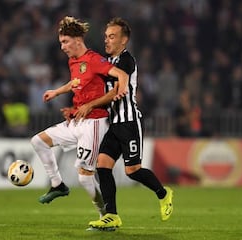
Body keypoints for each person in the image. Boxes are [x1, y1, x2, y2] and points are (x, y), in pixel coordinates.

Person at [74, 17, 173, 230]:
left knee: (133, 171)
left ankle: (164, 194)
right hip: (114, 124)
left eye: (112, 37)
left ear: (123, 41)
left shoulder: (127, 61)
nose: (107, 41)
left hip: (129, 123)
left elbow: (116, 92)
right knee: (102, 166)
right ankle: (112, 215)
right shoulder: (105, 63)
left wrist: (90, 105)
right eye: (106, 37)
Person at [30, 16, 128, 218]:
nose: (63, 47)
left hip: (94, 123)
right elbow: (76, 82)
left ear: (77, 40)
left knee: (84, 178)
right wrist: (57, 92)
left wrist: (121, 91)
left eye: (65, 42)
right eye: (61, 43)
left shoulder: (94, 60)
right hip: (77, 120)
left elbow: (120, 74)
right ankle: (57, 185)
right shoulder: (73, 61)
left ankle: (106, 216)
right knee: (38, 141)